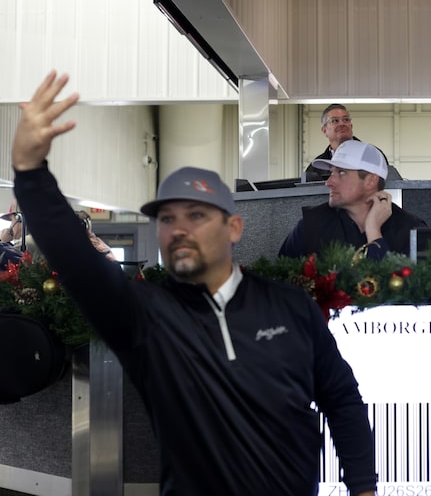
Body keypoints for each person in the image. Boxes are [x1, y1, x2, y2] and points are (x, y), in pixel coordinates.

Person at [12, 71, 377, 496]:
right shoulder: (146, 315)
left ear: (234, 227)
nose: (180, 228)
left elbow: (342, 398)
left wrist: (363, 489)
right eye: (168, 219)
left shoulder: (289, 306)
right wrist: (30, 171)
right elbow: (75, 261)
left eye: (197, 215)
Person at [281, 140, 425, 260]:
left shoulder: (411, 230)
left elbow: (402, 288)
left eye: (342, 173)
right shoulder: (311, 225)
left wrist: (373, 231)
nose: (329, 182)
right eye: (331, 172)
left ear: (370, 181)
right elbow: (280, 283)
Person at [305, 103, 359, 182]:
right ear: (324, 131)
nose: (341, 124)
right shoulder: (316, 167)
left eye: (346, 119)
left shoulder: (371, 155)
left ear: (351, 126)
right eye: (335, 121)